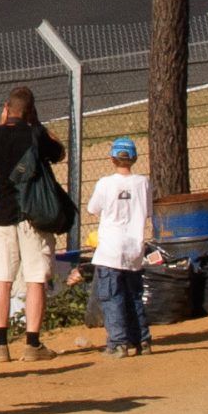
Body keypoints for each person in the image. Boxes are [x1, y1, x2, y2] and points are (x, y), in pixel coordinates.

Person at [0, 86, 66, 362]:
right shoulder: (36, 134)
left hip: (1, 217)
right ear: (31, 111)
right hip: (33, 217)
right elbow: (59, 152)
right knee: (35, 279)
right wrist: (36, 125)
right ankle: (32, 344)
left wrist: (1, 124)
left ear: (6, 108)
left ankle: (1, 345)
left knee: (2, 280)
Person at [84, 140, 153, 357]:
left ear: (112, 159)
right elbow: (148, 210)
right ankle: (142, 340)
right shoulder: (143, 182)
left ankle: (118, 343)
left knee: (112, 297)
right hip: (134, 249)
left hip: (110, 250)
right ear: (134, 158)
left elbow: (92, 208)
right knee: (134, 296)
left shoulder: (105, 183)